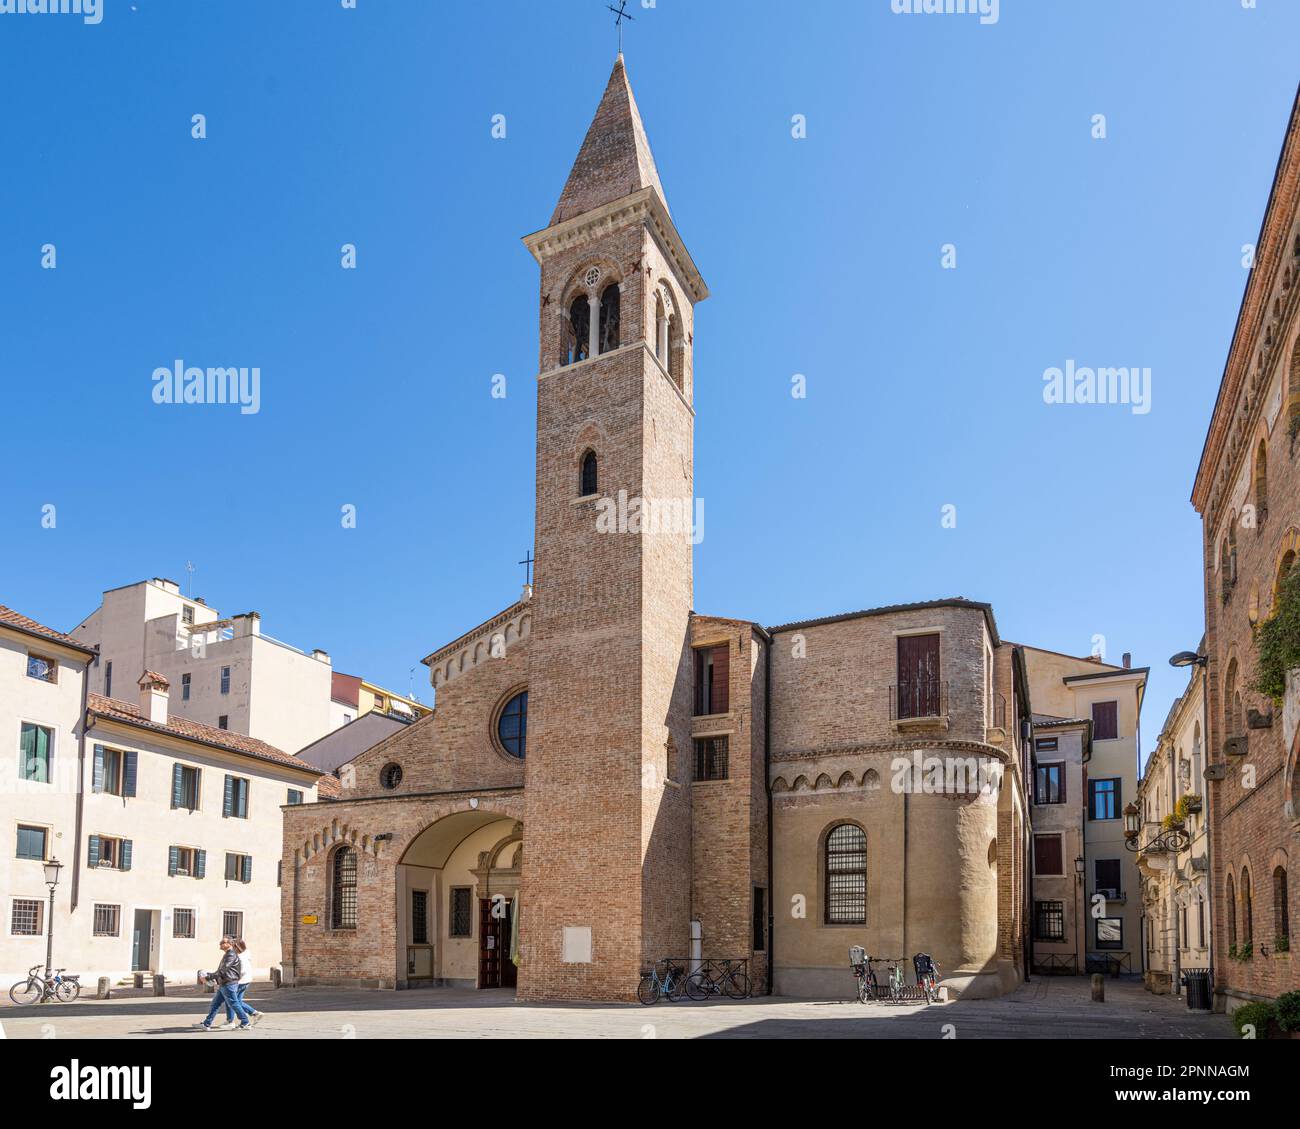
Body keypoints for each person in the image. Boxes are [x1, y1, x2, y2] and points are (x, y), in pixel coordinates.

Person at [193, 936, 251, 1031]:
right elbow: (221, 971)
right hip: (224, 983)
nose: (220, 943)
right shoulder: (228, 954)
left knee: (234, 1003)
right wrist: (211, 976)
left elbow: (223, 970)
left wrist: (207, 977)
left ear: (229, 944)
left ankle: (245, 1022)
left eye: (223, 942)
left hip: (229, 984)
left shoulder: (231, 954)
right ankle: (207, 1024)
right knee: (215, 1004)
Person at [233, 939, 262, 1025]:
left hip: (241, 981)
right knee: (237, 1001)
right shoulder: (246, 953)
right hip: (247, 980)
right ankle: (253, 1014)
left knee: (235, 1002)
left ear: (237, 947)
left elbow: (242, 971)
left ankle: (252, 1014)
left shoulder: (240, 957)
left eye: (234, 947)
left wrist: (234, 979)